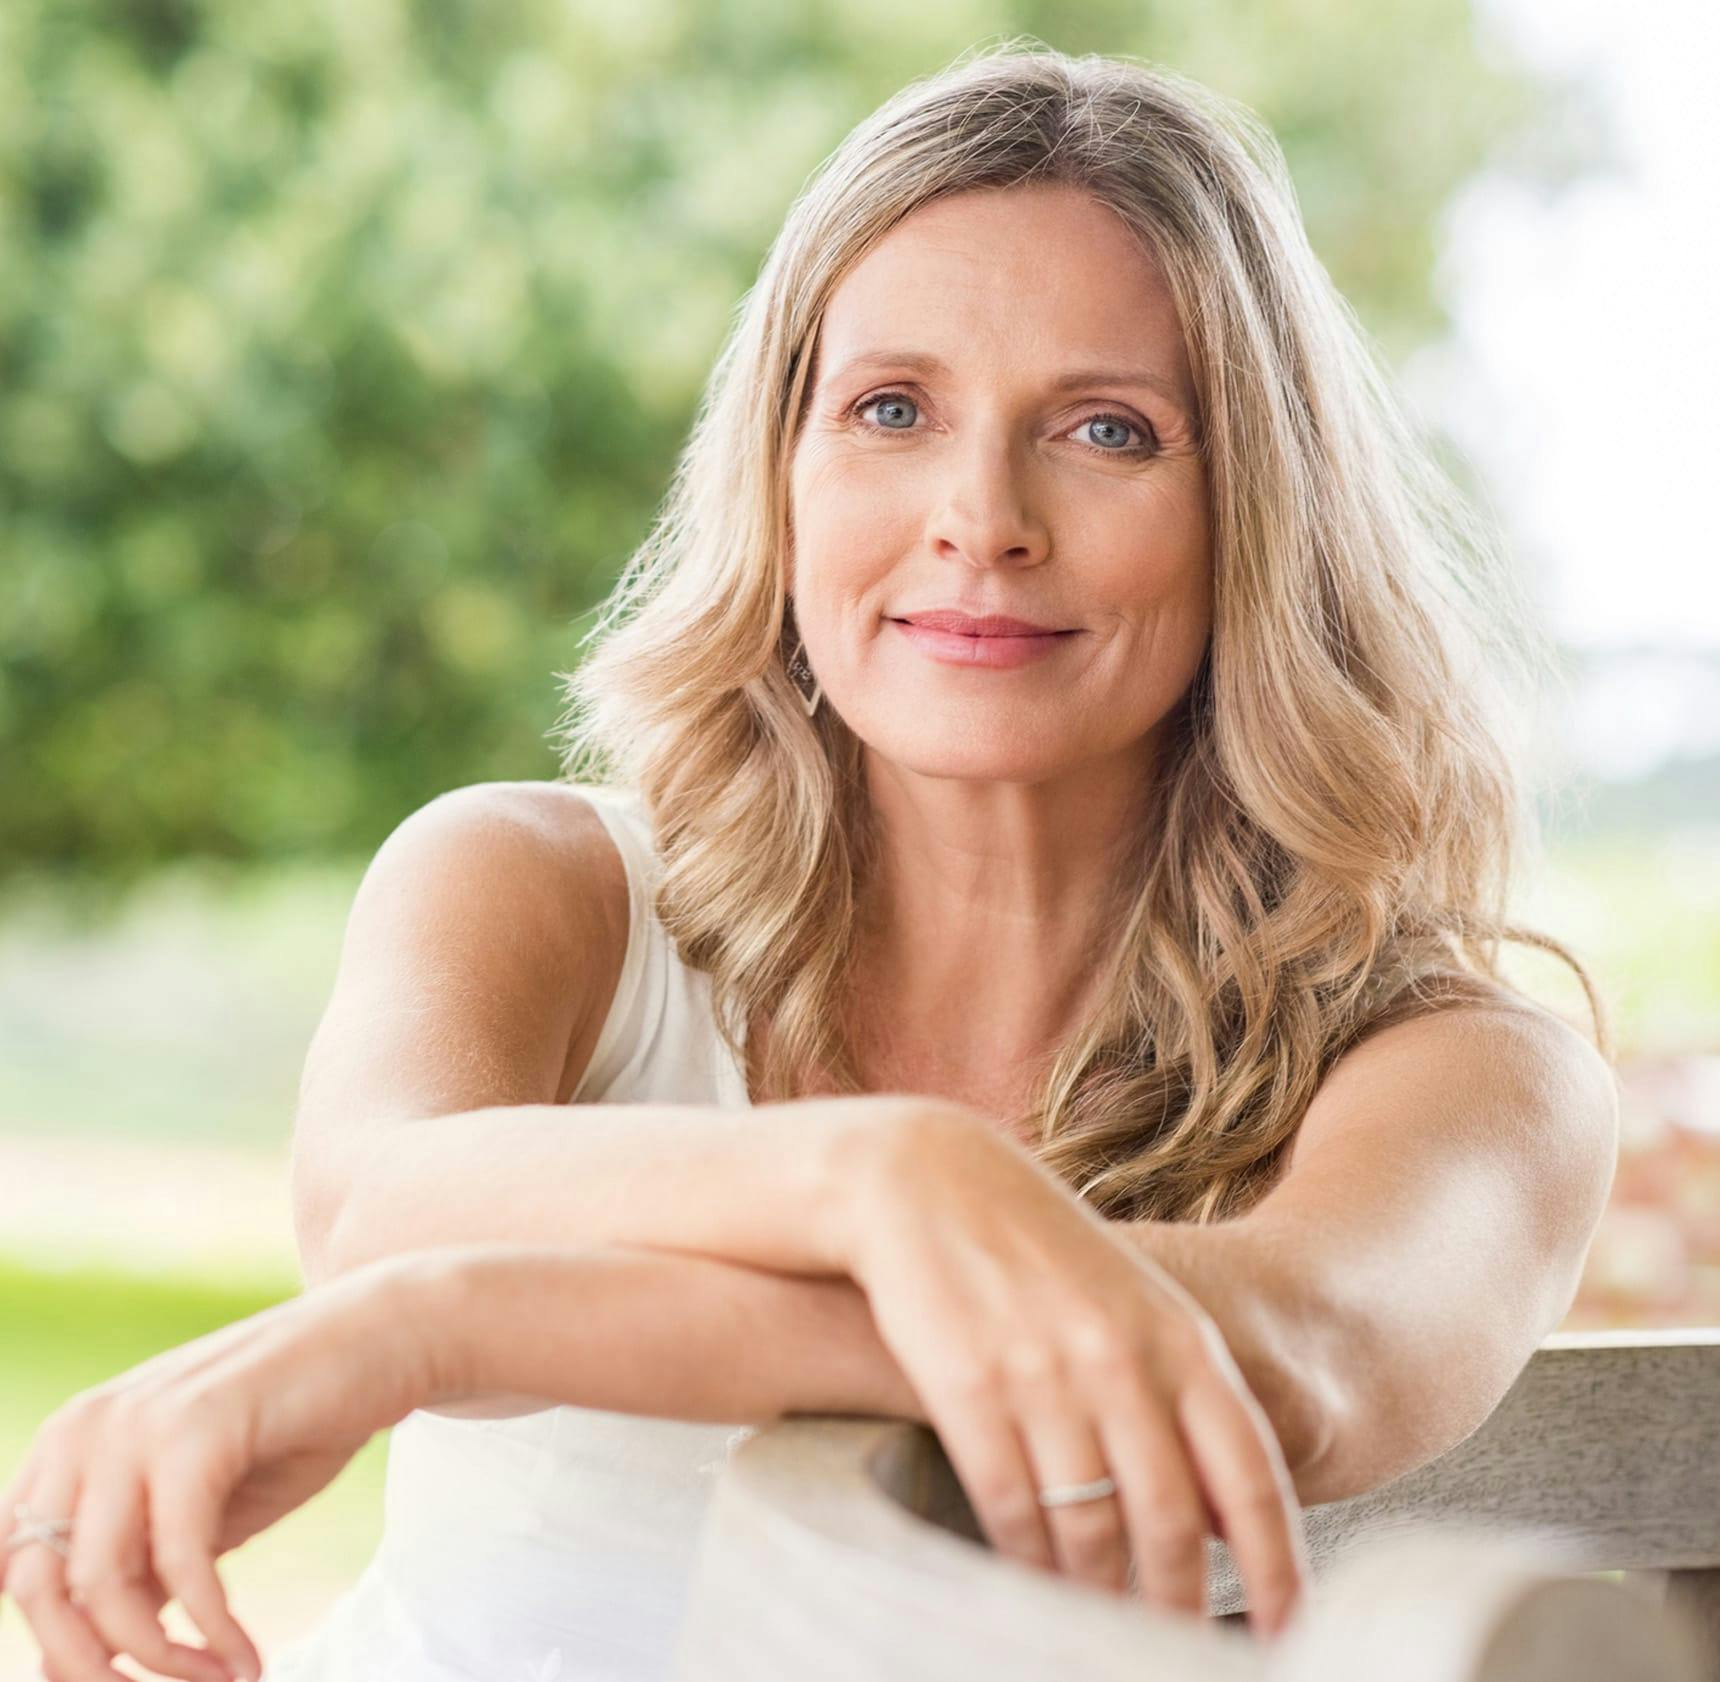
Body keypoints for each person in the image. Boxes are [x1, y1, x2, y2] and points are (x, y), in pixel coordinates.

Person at [0, 42, 1620, 1682]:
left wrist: (442, 1322)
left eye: (1109, 429)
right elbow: (377, 1202)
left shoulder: (1474, 1068)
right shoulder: (532, 883)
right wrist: (887, 1179)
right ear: (781, 471)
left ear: (1259, 514)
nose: (981, 516)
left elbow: (1291, 1353)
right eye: (892, 408)